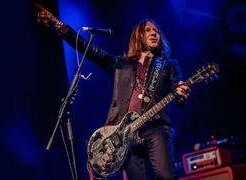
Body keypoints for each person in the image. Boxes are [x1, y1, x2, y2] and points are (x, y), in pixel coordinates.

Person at [36, 4, 190, 180]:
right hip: (124, 134)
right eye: (148, 30)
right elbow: (90, 50)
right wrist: (58, 25)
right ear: (138, 36)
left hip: (156, 127)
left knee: (165, 176)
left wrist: (181, 93)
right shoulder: (121, 65)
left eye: (156, 31)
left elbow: (178, 97)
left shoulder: (169, 65)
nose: (154, 33)